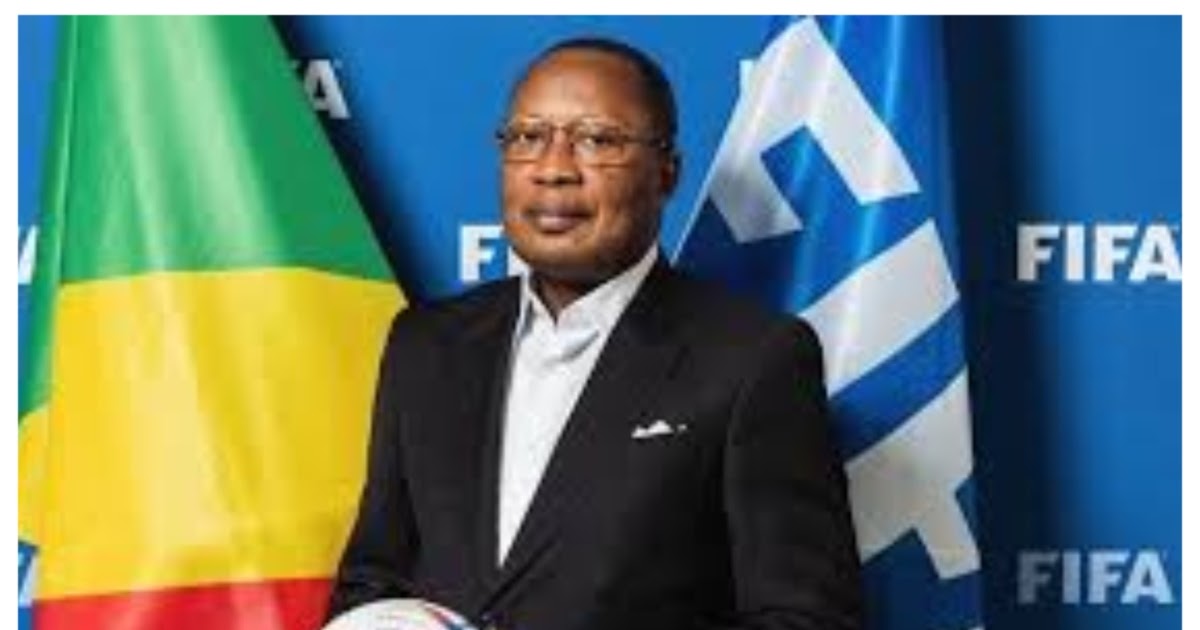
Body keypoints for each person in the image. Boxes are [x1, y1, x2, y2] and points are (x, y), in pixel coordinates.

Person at [327, 36, 863, 630]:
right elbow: (372, 586)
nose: (554, 169)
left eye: (598, 141)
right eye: (528, 137)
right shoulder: (425, 345)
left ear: (667, 173)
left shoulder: (754, 359)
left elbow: (805, 619)